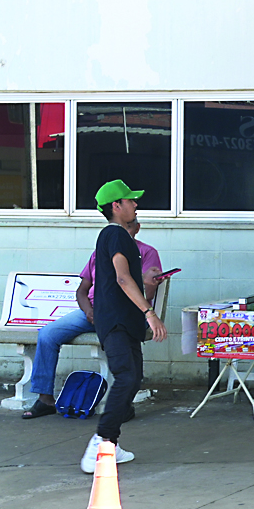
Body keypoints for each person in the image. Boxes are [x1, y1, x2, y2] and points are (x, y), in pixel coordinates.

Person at [26, 218, 164, 420]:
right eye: (121, 228)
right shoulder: (100, 253)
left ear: (138, 228)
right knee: (48, 334)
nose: (123, 234)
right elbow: (82, 290)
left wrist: (150, 283)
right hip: (93, 312)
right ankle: (45, 398)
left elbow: (147, 294)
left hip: (124, 314)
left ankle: (119, 407)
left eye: (128, 228)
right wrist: (89, 311)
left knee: (126, 365)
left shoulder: (146, 253)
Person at [80, 180, 168, 474]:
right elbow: (120, 278)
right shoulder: (115, 234)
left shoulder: (119, 238)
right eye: (130, 201)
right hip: (116, 320)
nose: (135, 205)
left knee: (134, 377)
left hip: (125, 320)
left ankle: (111, 444)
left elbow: (126, 279)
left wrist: (148, 282)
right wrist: (150, 313)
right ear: (116, 206)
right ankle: (101, 441)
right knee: (126, 376)